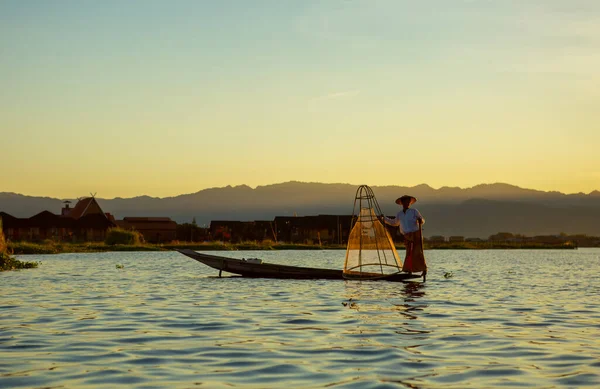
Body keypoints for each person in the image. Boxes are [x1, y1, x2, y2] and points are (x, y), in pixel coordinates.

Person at [382, 195, 427, 275]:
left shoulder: (414, 211)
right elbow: (394, 223)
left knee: (417, 253)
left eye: (407, 202)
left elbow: (422, 221)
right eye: (404, 202)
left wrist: (420, 220)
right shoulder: (400, 214)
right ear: (402, 203)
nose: (406, 203)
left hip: (416, 234)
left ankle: (423, 269)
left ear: (409, 203)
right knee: (409, 253)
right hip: (407, 235)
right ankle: (409, 270)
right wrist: (384, 219)